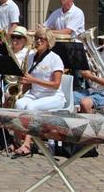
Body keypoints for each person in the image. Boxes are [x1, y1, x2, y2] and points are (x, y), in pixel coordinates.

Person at [12, 25, 65, 157]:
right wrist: (23, 86)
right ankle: (17, 141)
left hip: (53, 96)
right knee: (18, 104)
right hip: (35, 94)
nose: (38, 41)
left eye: (42, 39)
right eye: (36, 38)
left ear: (49, 42)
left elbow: (56, 85)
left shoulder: (55, 58)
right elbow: (29, 81)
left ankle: (27, 144)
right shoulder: (31, 57)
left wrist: (33, 80)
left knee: (31, 107)